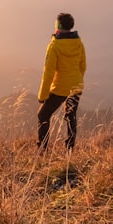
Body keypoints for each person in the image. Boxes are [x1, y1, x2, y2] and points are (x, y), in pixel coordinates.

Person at [36, 12, 87, 151]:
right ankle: (69, 148)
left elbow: (48, 73)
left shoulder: (54, 46)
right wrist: (76, 81)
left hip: (59, 88)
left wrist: (42, 96)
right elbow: (83, 66)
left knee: (43, 115)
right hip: (76, 86)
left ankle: (42, 150)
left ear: (58, 26)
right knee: (71, 116)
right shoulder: (79, 43)